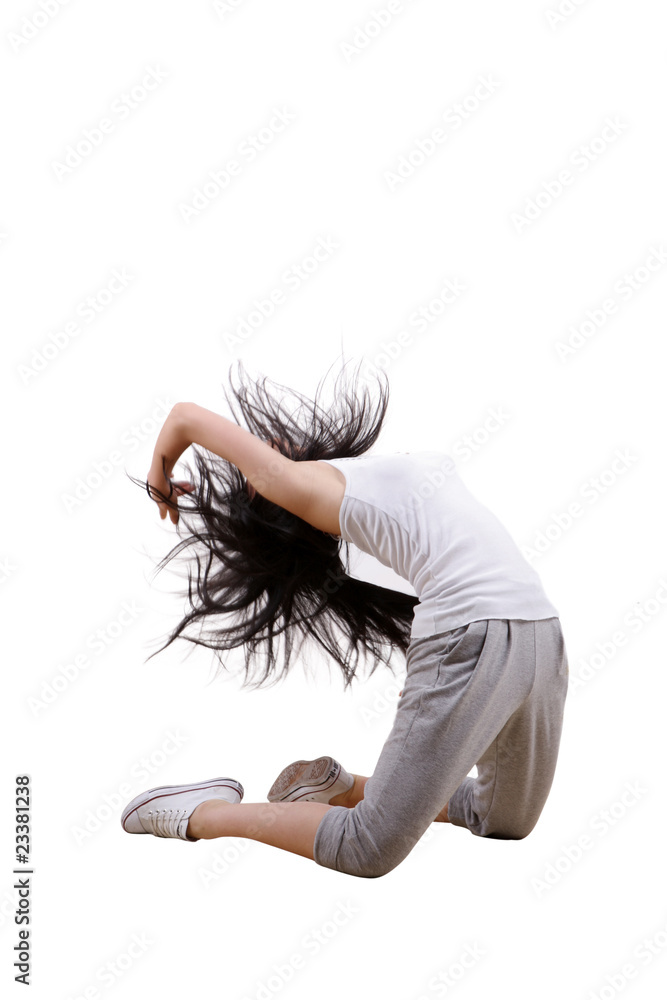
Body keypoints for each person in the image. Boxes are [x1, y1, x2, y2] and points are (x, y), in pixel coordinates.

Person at [120, 359, 569, 878]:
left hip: (538, 629)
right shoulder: (318, 490)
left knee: (505, 820)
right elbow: (185, 417)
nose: (264, 463)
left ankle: (344, 787)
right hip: (486, 630)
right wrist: (160, 472)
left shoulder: (369, 479)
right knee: (365, 849)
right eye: (263, 480)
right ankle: (202, 813)